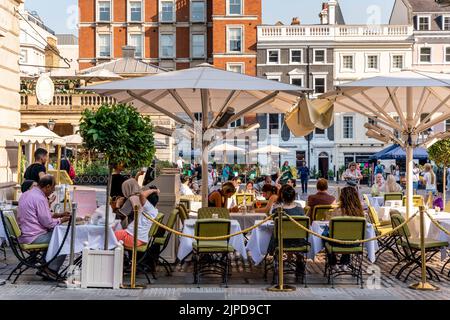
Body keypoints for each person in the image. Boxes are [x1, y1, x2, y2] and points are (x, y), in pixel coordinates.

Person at [17, 175, 71, 280]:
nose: (52, 192)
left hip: (25, 234)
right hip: (33, 237)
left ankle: (45, 264)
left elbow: (39, 215)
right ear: (47, 186)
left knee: (57, 234)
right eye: (52, 189)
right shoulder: (40, 198)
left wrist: (59, 215)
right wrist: (62, 220)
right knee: (65, 239)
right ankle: (50, 269)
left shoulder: (26, 194)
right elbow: (48, 223)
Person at [114, 179, 160, 249]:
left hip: (133, 236)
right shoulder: (154, 210)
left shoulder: (146, 206)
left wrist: (117, 205)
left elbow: (119, 216)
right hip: (141, 237)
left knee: (109, 236)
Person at [327, 186, 364, 270]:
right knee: (349, 236)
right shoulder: (359, 213)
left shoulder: (337, 211)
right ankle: (345, 263)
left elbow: (330, 228)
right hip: (354, 244)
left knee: (325, 236)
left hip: (336, 243)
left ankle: (333, 262)